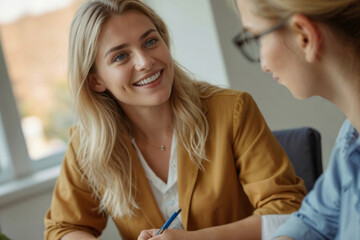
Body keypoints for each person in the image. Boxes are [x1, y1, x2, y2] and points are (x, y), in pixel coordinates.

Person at [44, 0, 306, 239]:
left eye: (150, 42)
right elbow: (63, 228)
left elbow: (286, 210)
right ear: (96, 80)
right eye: (121, 56)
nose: (145, 62)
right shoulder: (87, 144)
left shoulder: (232, 110)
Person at [233, 0, 360, 239]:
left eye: (257, 37)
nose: (264, 65)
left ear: (304, 36)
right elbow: (314, 221)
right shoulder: (350, 137)